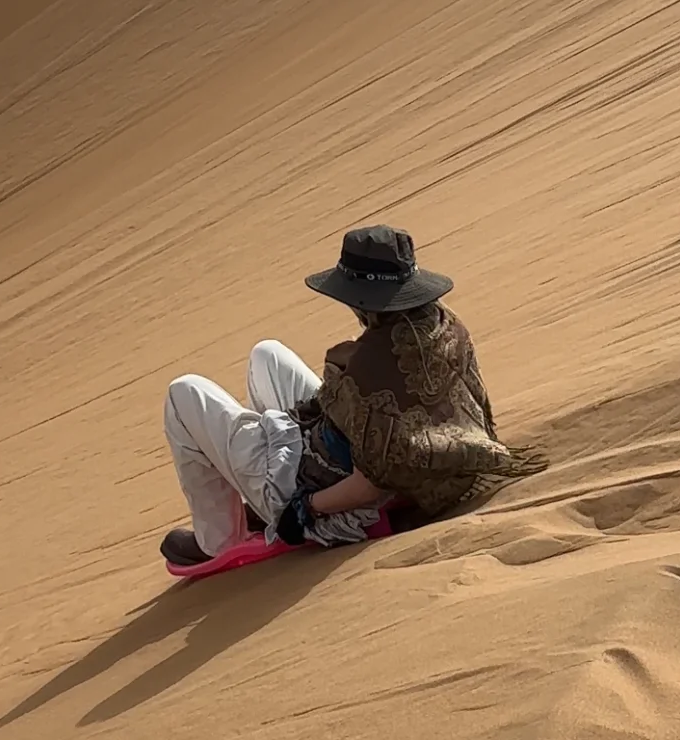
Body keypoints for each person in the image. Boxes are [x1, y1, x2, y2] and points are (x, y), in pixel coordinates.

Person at [161, 224, 546, 566]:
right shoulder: (445, 325)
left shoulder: (371, 368)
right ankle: (256, 491)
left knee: (185, 393)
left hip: (329, 492)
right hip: (347, 447)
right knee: (267, 354)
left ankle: (219, 540)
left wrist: (304, 509)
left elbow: (371, 482)